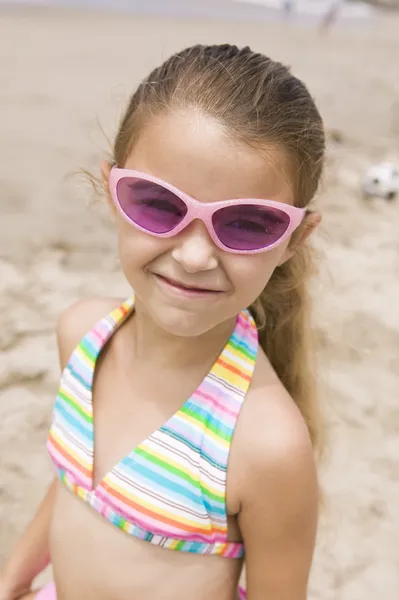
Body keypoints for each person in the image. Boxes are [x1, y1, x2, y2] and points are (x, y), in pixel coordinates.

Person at [0, 44, 325, 600]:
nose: (195, 257)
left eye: (248, 225)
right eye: (158, 204)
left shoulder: (267, 445)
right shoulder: (82, 335)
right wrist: (14, 577)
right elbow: (76, 484)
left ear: (294, 239)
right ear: (112, 189)